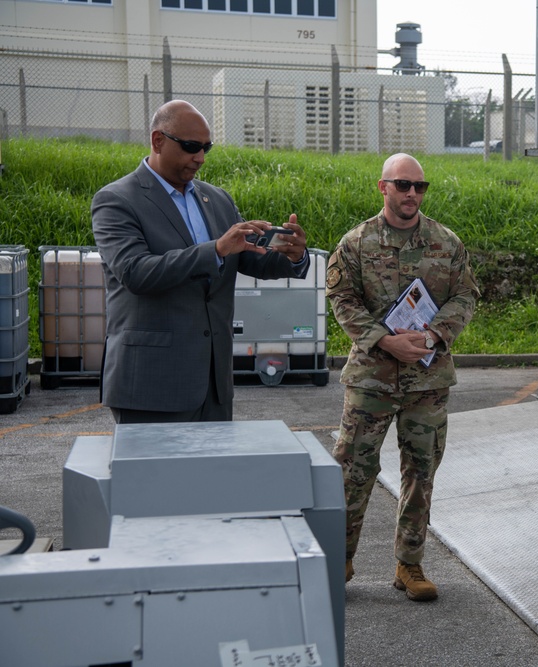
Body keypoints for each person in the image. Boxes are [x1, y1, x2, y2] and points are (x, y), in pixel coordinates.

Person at [92, 99, 310, 424]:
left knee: (212, 475)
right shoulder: (117, 200)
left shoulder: (217, 199)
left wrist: (293, 256)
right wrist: (216, 250)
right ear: (157, 141)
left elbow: (249, 258)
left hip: (213, 384)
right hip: (151, 384)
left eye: (206, 147)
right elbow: (136, 272)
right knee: (155, 476)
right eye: (192, 146)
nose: (200, 158)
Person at [326, 153, 479, 602]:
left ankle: (409, 565)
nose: (412, 193)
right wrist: (383, 340)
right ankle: (340, 559)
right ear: (383, 187)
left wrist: (433, 335)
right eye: (402, 184)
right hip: (371, 379)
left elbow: (466, 296)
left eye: (419, 186)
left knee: (421, 470)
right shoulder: (356, 242)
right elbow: (342, 298)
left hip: (426, 383)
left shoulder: (445, 242)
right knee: (352, 471)